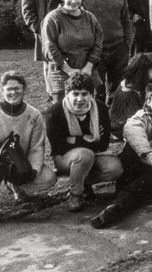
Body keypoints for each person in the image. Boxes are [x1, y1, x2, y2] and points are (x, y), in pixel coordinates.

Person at [0, 71, 59, 224]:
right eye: (9, 89)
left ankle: (17, 187)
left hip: (18, 163)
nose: (13, 92)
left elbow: (37, 147)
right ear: (2, 90)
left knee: (48, 177)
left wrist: (32, 170)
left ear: (24, 89)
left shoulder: (33, 115)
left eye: (17, 88)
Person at [90, 81, 152, 229]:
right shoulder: (142, 117)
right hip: (137, 163)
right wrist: (151, 157)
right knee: (131, 155)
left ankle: (114, 209)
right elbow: (132, 131)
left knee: (139, 188)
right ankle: (116, 205)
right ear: (149, 101)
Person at [47, 73, 123, 212]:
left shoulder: (100, 108)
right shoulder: (55, 112)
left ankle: (81, 181)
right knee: (84, 155)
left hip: (96, 153)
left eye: (84, 94)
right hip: (65, 157)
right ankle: (76, 195)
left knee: (114, 169)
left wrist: (72, 139)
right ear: (67, 93)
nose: (80, 99)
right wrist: (90, 138)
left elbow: (103, 144)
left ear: (91, 94)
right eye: (75, 94)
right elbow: (57, 146)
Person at [41, 0, 103, 105]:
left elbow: (98, 43)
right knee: (62, 113)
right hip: (61, 73)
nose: (74, 1)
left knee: (89, 108)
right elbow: (49, 47)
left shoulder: (90, 18)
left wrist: (89, 66)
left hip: (87, 71)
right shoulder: (53, 18)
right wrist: (69, 70)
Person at [83, 0, 133, 101]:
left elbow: (126, 22)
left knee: (117, 90)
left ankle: (114, 120)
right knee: (96, 90)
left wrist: (127, 45)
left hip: (118, 48)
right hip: (95, 51)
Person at [21, 0, 57, 97]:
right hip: (43, 30)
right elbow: (27, 12)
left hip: (61, 28)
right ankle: (51, 93)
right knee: (48, 62)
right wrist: (39, 29)